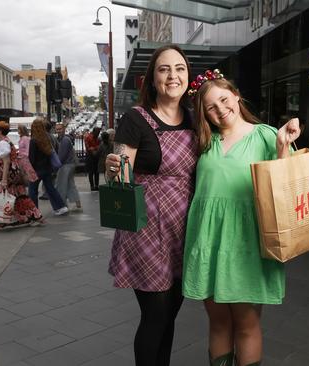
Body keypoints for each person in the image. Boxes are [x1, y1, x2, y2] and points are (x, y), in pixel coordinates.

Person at [182, 72, 300, 366]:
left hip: (249, 243)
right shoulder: (203, 141)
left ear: (236, 95)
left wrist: (284, 147)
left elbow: (287, 183)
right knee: (219, 323)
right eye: (211, 107)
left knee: (246, 325)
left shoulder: (267, 135)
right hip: (209, 241)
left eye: (224, 99)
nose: (221, 109)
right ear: (204, 113)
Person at [104, 45, 197, 366]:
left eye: (180, 68)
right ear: (152, 79)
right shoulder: (135, 119)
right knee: (155, 315)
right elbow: (119, 177)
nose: (173, 76)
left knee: (170, 315)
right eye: (164, 69)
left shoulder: (197, 120)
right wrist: (112, 167)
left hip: (185, 231)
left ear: (188, 75)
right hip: (146, 230)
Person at [0, 121, 43, 231]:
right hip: (14, 175)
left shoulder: (2, 144)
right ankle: (34, 217)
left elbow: (6, 162)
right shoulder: (7, 141)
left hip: (9, 176)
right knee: (20, 197)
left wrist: (4, 179)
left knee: (1, 198)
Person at [28, 118, 69, 216]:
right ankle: (61, 207)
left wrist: (30, 170)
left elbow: (32, 158)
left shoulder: (33, 141)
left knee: (32, 191)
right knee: (50, 188)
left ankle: (35, 212)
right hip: (46, 169)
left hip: (37, 170)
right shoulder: (46, 139)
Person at [55, 123, 82, 211]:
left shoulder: (65, 140)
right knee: (70, 185)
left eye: (60, 129)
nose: (58, 131)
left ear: (64, 129)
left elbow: (61, 157)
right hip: (69, 165)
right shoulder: (63, 139)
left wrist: (56, 165)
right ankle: (77, 203)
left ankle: (62, 205)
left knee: (61, 186)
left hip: (66, 166)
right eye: (57, 129)